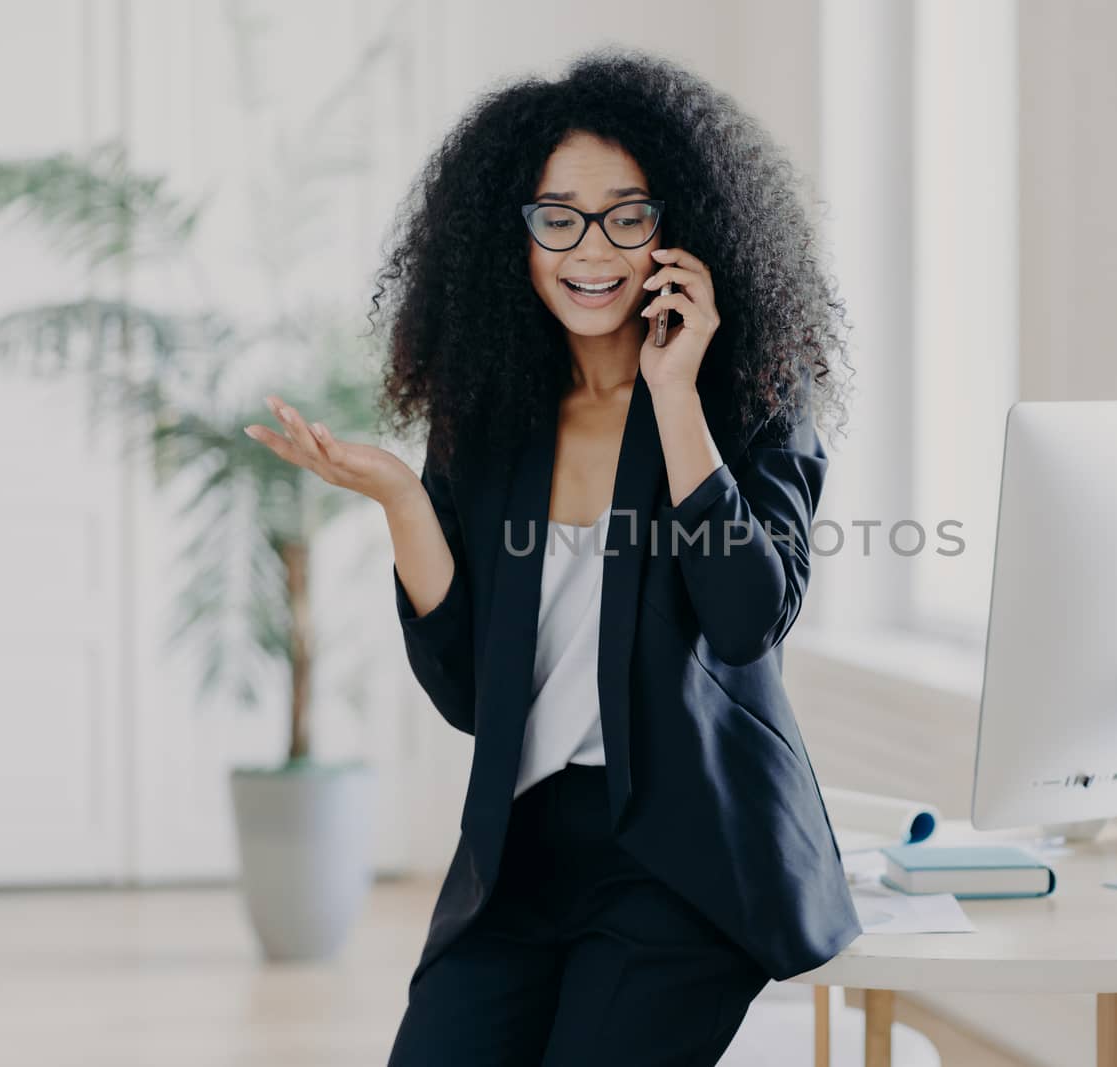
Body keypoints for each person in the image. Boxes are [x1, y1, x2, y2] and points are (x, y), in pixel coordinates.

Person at [245, 45, 859, 1066]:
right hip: (519, 854)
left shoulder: (749, 405)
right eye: (557, 216)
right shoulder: (490, 421)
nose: (593, 247)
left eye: (629, 213)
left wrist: (673, 393)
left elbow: (749, 614)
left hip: (684, 861)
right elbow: (466, 686)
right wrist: (400, 494)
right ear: (513, 239)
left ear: (679, 230)